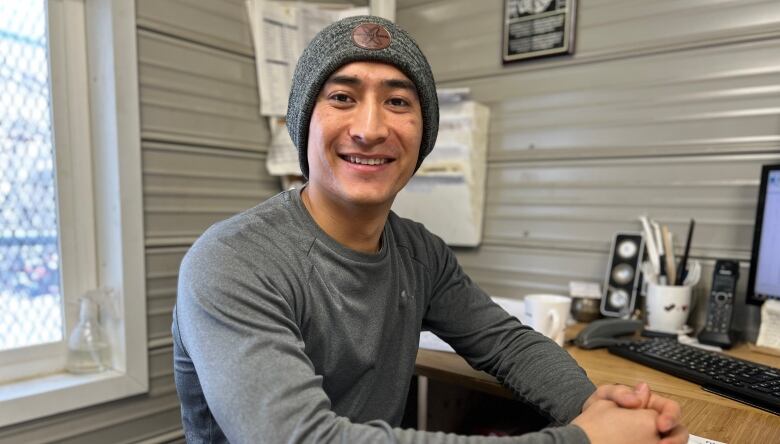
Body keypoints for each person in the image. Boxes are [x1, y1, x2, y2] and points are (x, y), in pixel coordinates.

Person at [172, 15, 688, 444]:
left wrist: (591, 402)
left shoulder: (420, 253)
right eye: (342, 97)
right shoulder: (231, 260)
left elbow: (507, 343)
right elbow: (301, 438)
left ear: (423, 137)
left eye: (398, 102)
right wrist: (583, 439)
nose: (370, 129)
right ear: (303, 125)